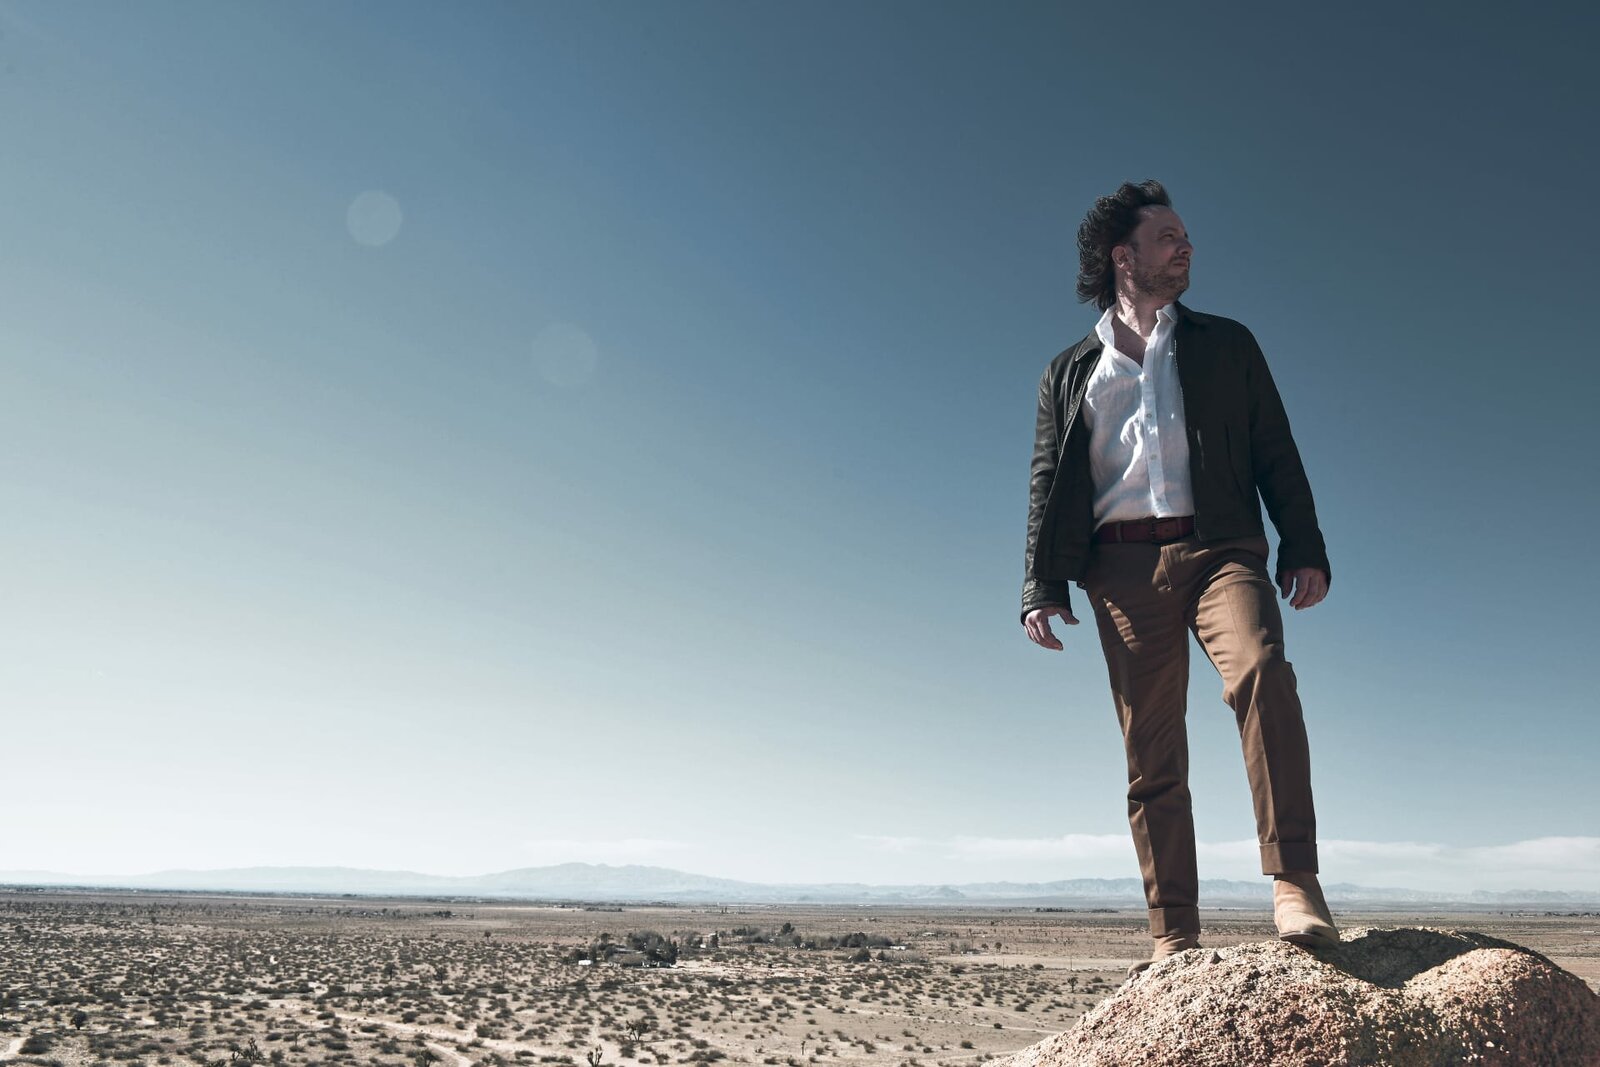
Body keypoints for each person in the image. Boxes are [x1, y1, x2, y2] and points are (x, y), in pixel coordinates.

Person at [1020, 180, 1339, 976]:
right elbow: (1046, 482)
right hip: (1120, 569)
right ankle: (1173, 930)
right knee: (1151, 749)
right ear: (1123, 257)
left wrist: (1303, 543)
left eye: (1186, 235)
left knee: (1262, 670)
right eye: (1168, 236)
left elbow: (1276, 447)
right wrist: (1041, 585)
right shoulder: (1069, 372)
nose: (1187, 246)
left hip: (1221, 548)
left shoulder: (1227, 344)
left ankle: (1294, 882)